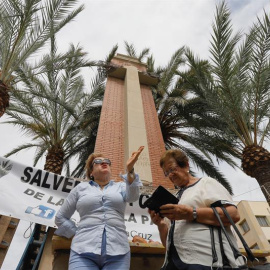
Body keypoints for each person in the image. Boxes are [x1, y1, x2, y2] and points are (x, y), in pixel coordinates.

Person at [148, 149, 245, 270]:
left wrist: (191, 213)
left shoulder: (206, 183)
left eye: (172, 169)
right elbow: (169, 246)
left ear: (186, 165)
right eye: (166, 173)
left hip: (207, 262)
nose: (170, 175)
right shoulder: (176, 197)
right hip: (174, 264)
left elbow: (233, 214)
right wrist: (161, 225)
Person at [55, 146, 144, 270]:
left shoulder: (121, 187)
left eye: (107, 161)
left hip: (118, 252)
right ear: (91, 172)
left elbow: (133, 197)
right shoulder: (80, 189)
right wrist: (75, 233)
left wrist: (130, 170)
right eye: (97, 162)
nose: (104, 162)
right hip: (82, 252)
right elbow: (60, 217)